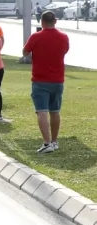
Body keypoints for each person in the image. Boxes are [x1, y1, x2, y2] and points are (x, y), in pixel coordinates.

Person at [23, 11, 70, 153]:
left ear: (41, 22)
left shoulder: (36, 37)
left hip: (40, 80)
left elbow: (25, 52)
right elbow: (65, 51)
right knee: (55, 111)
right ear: (55, 21)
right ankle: (55, 141)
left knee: (42, 111)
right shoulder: (63, 37)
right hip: (58, 80)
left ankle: (46, 142)